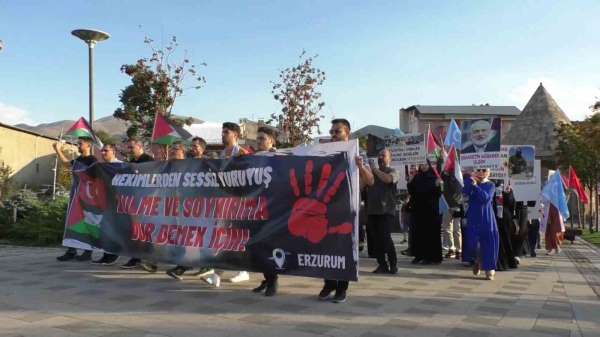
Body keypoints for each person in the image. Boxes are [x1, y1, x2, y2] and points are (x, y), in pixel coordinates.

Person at [318, 118, 374, 303]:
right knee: (326, 249)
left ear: (347, 133)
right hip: (327, 210)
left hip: (348, 211)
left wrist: (360, 166)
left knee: (344, 250)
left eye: (337, 131)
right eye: (332, 131)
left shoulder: (357, 153)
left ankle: (342, 288)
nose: (333, 135)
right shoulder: (324, 152)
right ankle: (329, 283)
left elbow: (370, 181)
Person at [166, 138, 215, 281]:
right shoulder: (183, 164)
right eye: (191, 146)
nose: (192, 148)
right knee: (185, 236)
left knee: (203, 234)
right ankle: (184, 265)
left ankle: (206, 264)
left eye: (195, 146)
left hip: (203, 205)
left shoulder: (208, 163)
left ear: (203, 148)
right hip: (184, 205)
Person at [217, 122, 250, 285]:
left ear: (235, 135)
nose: (223, 135)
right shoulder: (222, 154)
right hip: (225, 201)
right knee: (224, 235)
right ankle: (219, 270)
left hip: (240, 201)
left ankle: (242, 270)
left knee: (238, 236)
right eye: (222, 132)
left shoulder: (242, 153)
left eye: (226, 132)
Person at [53, 137, 96, 262]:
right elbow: (66, 163)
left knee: (87, 223)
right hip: (75, 194)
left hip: (86, 196)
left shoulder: (92, 161)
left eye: (80, 143)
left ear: (88, 145)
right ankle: (71, 250)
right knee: (72, 221)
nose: (78, 145)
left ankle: (88, 251)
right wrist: (58, 149)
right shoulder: (79, 159)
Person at [251, 127, 280, 296]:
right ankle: (267, 279)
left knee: (269, 246)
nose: (259, 141)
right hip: (255, 209)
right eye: (258, 138)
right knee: (258, 247)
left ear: (271, 141)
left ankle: (272, 281)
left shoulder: (278, 157)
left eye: (262, 138)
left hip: (272, 209)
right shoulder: (253, 158)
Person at [120, 138, 154, 269]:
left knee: (146, 230)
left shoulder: (149, 160)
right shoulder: (132, 162)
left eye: (131, 147)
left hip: (147, 200)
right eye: (128, 148)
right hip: (135, 201)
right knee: (136, 230)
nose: (129, 150)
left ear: (140, 147)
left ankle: (148, 258)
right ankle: (136, 257)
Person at [462, 168, 499, 280]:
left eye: (484, 170)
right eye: (479, 170)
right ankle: (477, 260)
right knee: (472, 243)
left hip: (487, 217)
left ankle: (489, 269)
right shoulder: (471, 182)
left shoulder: (491, 185)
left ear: (488, 172)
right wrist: (470, 179)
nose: (481, 172)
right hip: (473, 216)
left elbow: (485, 199)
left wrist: (476, 187)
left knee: (488, 242)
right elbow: (464, 191)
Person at [367, 148, 399, 274]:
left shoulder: (393, 171)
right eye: (379, 155)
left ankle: (393, 264)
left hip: (386, 211)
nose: (380, 157)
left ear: (390, 158)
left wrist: (374, 169)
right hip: (372, 211)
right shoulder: (372, 172)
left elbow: (388, 179)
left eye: (383, 155)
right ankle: (382, 265)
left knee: (385, 238)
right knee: (376, 240)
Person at [91, 143, 122, 265]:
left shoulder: (121, 165)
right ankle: (107, 254)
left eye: (106, 151)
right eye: (102, 151)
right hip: (105, 201)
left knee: (115, 229)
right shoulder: (101, 166)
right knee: (105, 229)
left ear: (113, 151)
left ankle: (113, 254)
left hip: (119, 203)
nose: (103, 153)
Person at [407, 163, 443, 265]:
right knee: (417, 233)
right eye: (421, 164)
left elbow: (438, 193)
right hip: (418, 209)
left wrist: (437, 185)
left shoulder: (434, 177)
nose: (423, 166)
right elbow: (412, 191)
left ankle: (431, 257)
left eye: (425, 164)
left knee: (430, 234)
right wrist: (410, 181)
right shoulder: (417, 176)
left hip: (430, 210)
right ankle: (419, 255)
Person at [441, 170, 463, 259]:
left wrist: (457, 205)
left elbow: (458, 190)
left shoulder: (458, 175)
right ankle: (451, 248)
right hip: (446, 205)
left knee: (457, 230)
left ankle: (459, 250)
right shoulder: (445, 176)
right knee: (446, 229)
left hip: (457, 205)